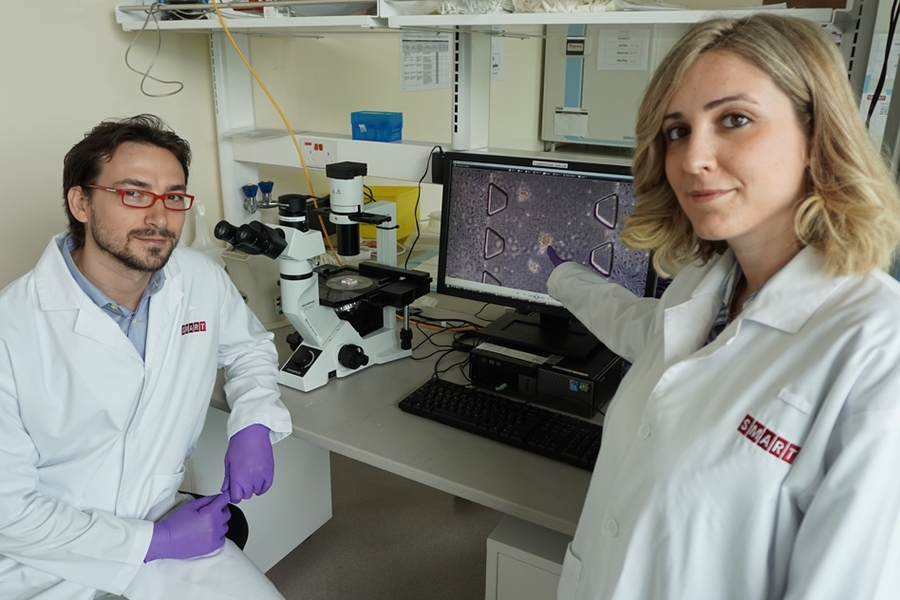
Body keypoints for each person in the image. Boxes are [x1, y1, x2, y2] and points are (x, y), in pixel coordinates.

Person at [547, 14, 900, 600]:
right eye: (678, 130)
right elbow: (647, 335)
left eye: (734, 120)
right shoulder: (705, 285)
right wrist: (563, 278)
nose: (692, 159)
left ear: (816, 137)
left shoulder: (877, 352)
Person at [0, 115, 293, 599]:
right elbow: (8, 512)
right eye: (134, 193)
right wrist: (152, 542)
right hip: (38, 560)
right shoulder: (12, 330)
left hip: (164, 519)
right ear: (81, 203)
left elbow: (248, 347)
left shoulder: (198, 279)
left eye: (174, 197)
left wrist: (254, 421)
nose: (159, 217)